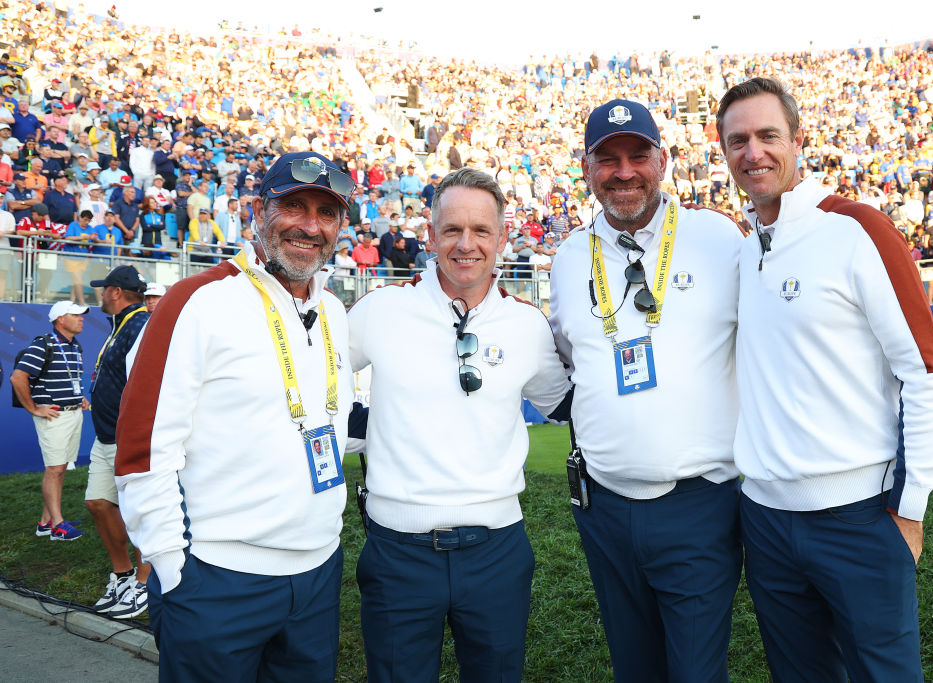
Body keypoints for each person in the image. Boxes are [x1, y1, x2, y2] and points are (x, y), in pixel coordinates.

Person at [717, 76, 933, 683]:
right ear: (724, 153)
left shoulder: (858, 229)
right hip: (765, 520)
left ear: (798, 140)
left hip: (860, 517)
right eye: (738, 141)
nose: (753, 152)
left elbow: (925, 372)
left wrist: (911, 508)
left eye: (768, 135)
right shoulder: (743, 250)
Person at [114, 151, 357, 681]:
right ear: (257, 211)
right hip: (216, 579)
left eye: (326, 213)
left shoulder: (335, 311)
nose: (310, 226)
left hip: (317, 573)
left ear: (340, 226)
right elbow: (144, 446)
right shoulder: (196, 301)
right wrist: (170, 564)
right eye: (294, 206)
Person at [347, 168, 571, 682]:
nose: (466, 244)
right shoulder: (381, 309)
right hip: (398, 550)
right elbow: (319, 386)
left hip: (497, 551)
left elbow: (563, 405)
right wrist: (373, 426)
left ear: (502, 238)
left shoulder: (527, 324)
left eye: (481, 230)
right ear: (430, 236)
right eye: (452, 229)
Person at [547, 99, 744, 682]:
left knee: (696, 671)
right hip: (603, 506)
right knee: (633, 668)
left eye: (638, 155)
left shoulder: (717, 237)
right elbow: (569, 359)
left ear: (663, 160)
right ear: (587, 169)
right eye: (608, 159)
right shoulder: (567, 257)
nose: (624, 172)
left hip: (700, 502)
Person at [85, 265, 152, 619]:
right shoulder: (121, 325)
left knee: (139, 512)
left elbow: (146, 384)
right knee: (97, 502)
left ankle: (145, 582)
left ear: (115, 291)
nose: (100, 295)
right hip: (106, 436)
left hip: (129, 437)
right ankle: (123, 574)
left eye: (103, 289)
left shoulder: (140, 324)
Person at [10, 301, 91, 541]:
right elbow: (17, 377)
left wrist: (79, 397)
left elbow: (69, 377)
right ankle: (57, 525)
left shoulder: (75, 345)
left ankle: (45, 523)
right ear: (60, 319)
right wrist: (34, 408)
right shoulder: (43, 344)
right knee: (54, 469)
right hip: (55, 416)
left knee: (61, 467)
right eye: (75, 315)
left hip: (72, 413)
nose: (81, 318)